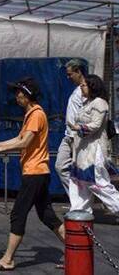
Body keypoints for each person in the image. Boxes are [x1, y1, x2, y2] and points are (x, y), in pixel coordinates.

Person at [0, 78, 64, 271]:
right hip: (38, 172)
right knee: (47, 216)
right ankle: (75, 251)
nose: (16, 96)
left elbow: (24, 142)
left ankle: (8, 259)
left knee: (18, 213)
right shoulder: (31, 114)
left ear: (27, 95)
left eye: (19, 92)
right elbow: (19, 138)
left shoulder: (36, 114)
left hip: (35, 173)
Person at [67, 74, 119, 214]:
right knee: (79, 182)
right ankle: (79, 212)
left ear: (92, 86)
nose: (81, 88)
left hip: (93, 151)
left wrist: (78, 128)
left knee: (98, 183)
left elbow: (96, 124)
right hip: (82, 151)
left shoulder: (99, 103)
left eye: (83, 85)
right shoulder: (87, 103)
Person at [55, 59, 86, 195]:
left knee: (83, 173)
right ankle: (76, 199)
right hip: (69, 136)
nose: (68, 77)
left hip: (79, 137)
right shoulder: (77, 90)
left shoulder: (86, 90)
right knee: (60, 167)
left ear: (78, 72)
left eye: (70, 74)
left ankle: (82, 204)